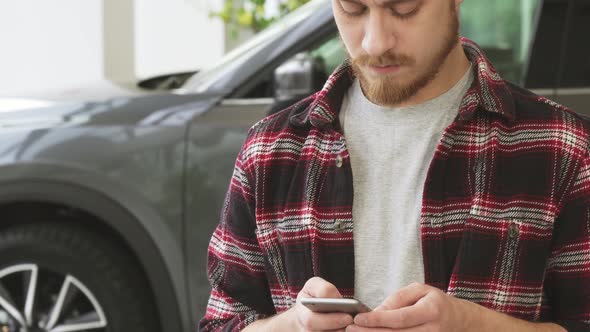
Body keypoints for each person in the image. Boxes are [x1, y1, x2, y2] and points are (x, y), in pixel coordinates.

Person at [199, 0, 590, 330]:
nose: (375, 42)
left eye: (404, 8)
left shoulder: (562, 147)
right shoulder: (269, 150)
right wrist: (293, 323)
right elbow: (224, 321)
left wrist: (472, 324)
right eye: (352, 8)